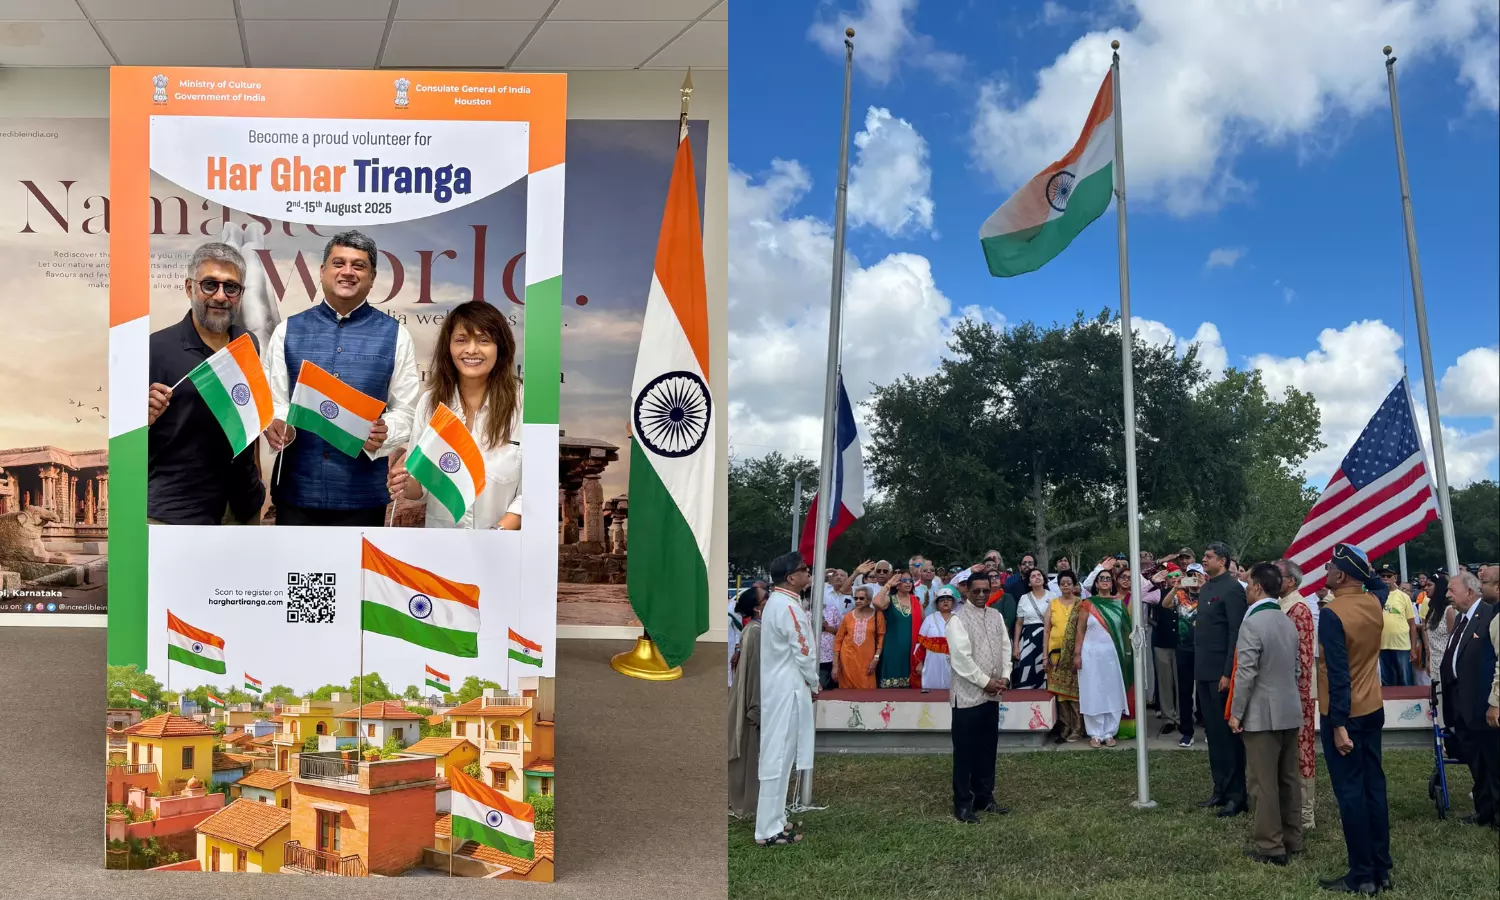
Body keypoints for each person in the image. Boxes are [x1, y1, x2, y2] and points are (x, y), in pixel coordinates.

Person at [264, 231, 420, 526]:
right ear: (322, 272)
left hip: (363, 497)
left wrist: (387, 430)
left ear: (372, 277)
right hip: (296, 493)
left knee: (356, 575)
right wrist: (280, 423)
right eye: (339, 263)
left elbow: (408, 410)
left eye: (358, 266)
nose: (347, 272)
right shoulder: (287, 331)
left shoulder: (396, 335)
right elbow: (274, 401)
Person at [146, 242, 267, 525]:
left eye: (231, 287)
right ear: (190, 288)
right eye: (210, 285)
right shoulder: (154, 348)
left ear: (241, 294)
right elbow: (127, 434)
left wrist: (257, 481)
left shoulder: (249, 343)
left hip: (242, 508)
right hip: (177, 513)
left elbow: (248, 418)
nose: (221, 296)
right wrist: (143, 417)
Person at [386, 302, 522, 530]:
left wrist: (498, 532)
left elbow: (535, 490)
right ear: (448, 347)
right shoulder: (430, 404)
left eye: (484, 340)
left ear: (501, 347)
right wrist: (405, 484)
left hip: (505, 547)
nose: (471, 350)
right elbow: (422, 485)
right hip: (443, 547)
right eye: (461, 340)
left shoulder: (523, 405)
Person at [1316, 544, 1392, 895]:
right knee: (1374, 787)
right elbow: (1378, 586)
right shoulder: (1373, 602)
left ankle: (1362, 875)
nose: (1326, 569)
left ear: (1341, 575)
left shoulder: (1333, 613)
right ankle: (1381, 866)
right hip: (1373, 706)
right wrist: (1367, 570)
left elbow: (1338, 673)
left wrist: (1339, 724)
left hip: (1345, 713)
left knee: (1351, 794)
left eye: (1331, 566)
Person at [1229, 563, 1305, 865]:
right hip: (1289, 708)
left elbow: (1246, 673)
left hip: (1262, 713)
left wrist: (1237, 712)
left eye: (1249, 585)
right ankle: (1293, 838)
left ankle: (1270, 846)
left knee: (1262, 783)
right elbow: (1297, 668)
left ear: (1258, 587)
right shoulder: (1287, 620)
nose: (1247, 590)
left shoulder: (1253, 623)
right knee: (1288, 779)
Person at [755, 552, 817, 847]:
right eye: (804, 569)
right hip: (787, 689)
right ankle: (767, 829)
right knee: (777, 757)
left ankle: (776, 819)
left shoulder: (782, 602)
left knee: (782, 756)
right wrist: (815, 683)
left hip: (783, 687)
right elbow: (804, 651)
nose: (808, 573)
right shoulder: (786, 606)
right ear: (792, 577)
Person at [946, 571, 1012, 823]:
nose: (982, 595)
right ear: (966, 591)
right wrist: (986, 682)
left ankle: (985, 797)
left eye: (986, 590)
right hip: (967, 696)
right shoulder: (957, 620)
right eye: (976, 591)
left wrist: (1005, 676)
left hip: (993, 694)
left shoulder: (995, 615)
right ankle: (963, 804)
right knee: (965, 752)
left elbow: (1005, 647)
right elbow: (961, 660)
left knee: (987, 748)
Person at [1440, 570, 1499, 828]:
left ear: (1470, 592)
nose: (1448, 594)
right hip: (1463, 706)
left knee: (1493, 764)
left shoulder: (1488, 616)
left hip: (1482, 704)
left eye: (1452, 590)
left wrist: (1494, 701)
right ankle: (1484, 810)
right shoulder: (1461, 619)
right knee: (1477, 763)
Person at [1194, 543, 1248, 817]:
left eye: (1208, 557)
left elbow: (1235, 635)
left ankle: (1237, 794)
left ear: (1223, 561)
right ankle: (1220, 788)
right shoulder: (1206, 587)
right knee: (1213, 734)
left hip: (1221, 674)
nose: (1203, 560)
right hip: (1203, 671)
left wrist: (1228, 672)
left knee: (1228, 735)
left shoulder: (1233, 589)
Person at [1276, 558, 1319, 831]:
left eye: (1278, 575)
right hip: (1283, 689)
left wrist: (1297, 694)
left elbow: (1302, 658)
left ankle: (1306, 812)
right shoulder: (1281, 605)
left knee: (1302, 749)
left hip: (1298, 691)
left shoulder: (1299, 608)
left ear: (1290, 581)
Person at [1073, 569, 1131, 748]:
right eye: (1101, 579)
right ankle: (1095, 734)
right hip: (1091, 654)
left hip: (1113, 655)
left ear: (1112, 583)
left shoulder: (1119, 605)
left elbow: (1126, 631)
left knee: (1112, 692)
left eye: (1108, 579)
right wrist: (1077, 654)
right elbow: (1080, 630)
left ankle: (1109, 732)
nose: (1105, 581)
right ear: (1096, 584)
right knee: (1093, 692)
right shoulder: (1087, 604)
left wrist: (1129, 655)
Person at [728, 586, 767, 818]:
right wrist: (755, 707)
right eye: (766, 597)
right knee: (747, 751)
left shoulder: (755, 630)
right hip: (750, 701)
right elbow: (754, 671)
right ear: (756, 607)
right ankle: (746, 802)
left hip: (751, 698)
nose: (770, 599)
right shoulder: (754, 632)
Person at [1045, 572, 1086, 743]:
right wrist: (1043, 656)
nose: (1066, 586)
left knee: (1075, 693)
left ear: (1075, 585)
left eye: (1069, 583)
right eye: (1063, 583)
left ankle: (1077, 728)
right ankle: (1065, 728)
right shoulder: (1053, 604)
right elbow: (1046, 630)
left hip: (1075, 654)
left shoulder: (1082, 604)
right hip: (1055, 654)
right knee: (1060, 694)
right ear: (1059, 586)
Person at [1147, 564, 1183, 737]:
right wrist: (1152, 582)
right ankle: (1168, 719)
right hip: (1162, 643)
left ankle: (1183, 717)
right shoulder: (1159, 593)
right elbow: (1141, 596)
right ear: (1166, 579)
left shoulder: (1190, 593)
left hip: (1182, 645)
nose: (1175, 578)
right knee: (1165, 682)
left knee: (1182, 683)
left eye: (1178, 575)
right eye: (1171, 576)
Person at [872, 572, 924, 689]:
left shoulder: (916, 601)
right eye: (904, 580)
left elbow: (923, 625)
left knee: (910, 690)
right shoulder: (890, 599)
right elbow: (876, 603)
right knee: (890, 690)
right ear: (897, 584)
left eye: (910, 580)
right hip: (892, 650)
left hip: (911, 651)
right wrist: (888, 585)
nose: (908, 583)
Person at [832, 585, 885, 691]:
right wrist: (835, 665)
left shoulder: (877, 616)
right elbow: (838, 640)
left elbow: (881, 639)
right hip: (847, 660)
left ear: (869, 600)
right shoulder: (848, 616)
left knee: (867, 693)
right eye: (855, 598)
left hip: (867, 662)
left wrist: (876, 658)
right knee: (847, 693)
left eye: (861, 598)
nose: (858, 601)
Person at [1375, 565, 1420, 686]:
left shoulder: (1404, 597)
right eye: (1382, 576)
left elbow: (1412, 625)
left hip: (1402, 646)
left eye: (1388, 576)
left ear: (1395, 578)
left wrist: (1413, 649)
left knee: (1405, 681)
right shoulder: (1375, 597)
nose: (1385, 579)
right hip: (1382, 646)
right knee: (1386, 683)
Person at [1011, 568, 1051, 689]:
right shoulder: (1024, 598)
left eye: (1039, 575)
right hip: (1028, 639)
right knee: (1027, 669)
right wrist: (1016, 646)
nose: (1037, 577)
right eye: (1033, 576)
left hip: (1046, 637)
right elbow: (1019, 623)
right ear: (1029, 582)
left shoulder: (1053, 597)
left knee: (1044, 671)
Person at [917, 586, 959, 691]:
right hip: (932, 661)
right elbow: (920, 642)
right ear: (937, 603)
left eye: (948, 599)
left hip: (955, 661)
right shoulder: (929, 619)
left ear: (953, 602)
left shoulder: (959, 619)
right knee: (931, 691)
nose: (945, 601)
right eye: (942, 599)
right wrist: (919, 662)